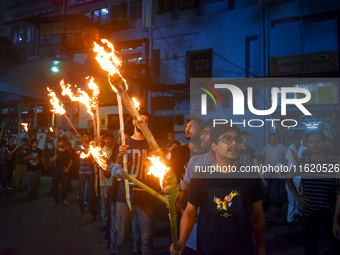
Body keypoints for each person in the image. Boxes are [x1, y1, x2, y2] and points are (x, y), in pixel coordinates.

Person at [170, 124, 265, 255]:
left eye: (237, 139)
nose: (234, 143)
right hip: (208, 249)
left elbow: (258, 215)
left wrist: (261, 249)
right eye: (227, 139)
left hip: (241, 249)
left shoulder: (250, 175)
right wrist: (181, 241)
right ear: (214, 146)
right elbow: (190, 213)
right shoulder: (200, 176)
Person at [286, 131, 340, 255]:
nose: (315, 144)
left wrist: (337, 217)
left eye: (318, 141)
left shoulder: (334, 162)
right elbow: (288, 177)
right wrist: (297, 196)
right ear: (307, 144)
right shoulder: (302, 162)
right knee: (310, 246)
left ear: (324, 143)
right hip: (308, 212)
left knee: (335, 245)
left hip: (330, 213)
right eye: (311, 142)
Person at [115, 109, 159, 255]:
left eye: (146, 121)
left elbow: (160, 168)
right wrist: (120, 155)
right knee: (121, 236)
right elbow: (114, 171)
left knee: (147, 237)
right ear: (134, 121)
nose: (142, 123)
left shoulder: (152, 145)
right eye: (140, 119)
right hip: (125, 195)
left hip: (146, 195)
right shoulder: (124, 143)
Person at [179, 119, 215, 254]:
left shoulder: (230, 164)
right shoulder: (195, 161)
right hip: (195, 223)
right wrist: (181, 199)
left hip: (217, 228)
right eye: (203, 133)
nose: (202, 136)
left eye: (207, 133)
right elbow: (187, 185)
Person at [258, 133, 287, 205]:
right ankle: (267, 200)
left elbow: (287, 156)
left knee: (276, 185)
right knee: (267, 185)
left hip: (277, 170)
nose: (272, 140)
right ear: (269, 139)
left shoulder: (282, 147)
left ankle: (276, 200)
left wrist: (284, 165)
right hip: (267, 169)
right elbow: (261, 155)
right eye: (271, 138)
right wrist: (255, 161)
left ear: (276, 139)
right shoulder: (266, 147)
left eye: (274, 138)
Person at [77, 132, 97, 222]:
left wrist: (90, 153)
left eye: (86, 136)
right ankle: (81, 208)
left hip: (90, 171)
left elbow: (94, 159)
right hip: (82, 171)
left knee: (90, 190)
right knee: (81, 190)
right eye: (83, 137)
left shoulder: (92, 147)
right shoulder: (80, 146)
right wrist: (83, 152)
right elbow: (79, 156)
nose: (84, 138)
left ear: (89, 137)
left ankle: (90, 209)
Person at [284, 134, 302, 225]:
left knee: (300, 197)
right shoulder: (289, 148)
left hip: (299, 175)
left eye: (295, 140)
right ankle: (289, 219)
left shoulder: (304, 149)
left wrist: (294, 153)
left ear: (299, 140)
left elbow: (299, 161)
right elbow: (287, 161)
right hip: (290, 175)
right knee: (291, 199)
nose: (294, 142)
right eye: (292, 141)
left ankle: (299, 215)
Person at [50, 136, 73, 206]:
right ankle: (56, 200)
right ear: (58, 142)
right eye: (60, 142)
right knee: (55, 186)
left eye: (63, 142)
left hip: (64, 171)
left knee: (65, 186)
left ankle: (64, 199)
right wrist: (54, 158)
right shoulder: (54, 151)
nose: (61, 143)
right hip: (56, 171)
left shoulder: (67, 152)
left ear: (65, 143)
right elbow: (50, 161)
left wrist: (68, 168)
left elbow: (71, 161)